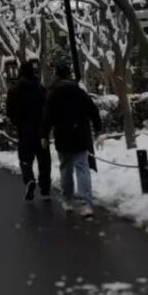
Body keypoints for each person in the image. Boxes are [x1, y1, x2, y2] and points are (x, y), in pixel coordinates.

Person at [40, 61, 102, 217]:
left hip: (63, 136)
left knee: (66, 168)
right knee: (82, 168)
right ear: (69, 75)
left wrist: (44, 135)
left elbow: (47, 117)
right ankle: (86, 202)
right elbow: (93, 110)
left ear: (57, 75)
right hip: (80, 135)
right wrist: (98, 129)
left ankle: (68, 200)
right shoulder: (79, 92)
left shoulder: (53, 93)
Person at [6, 60, 51, 200]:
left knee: (25, 159)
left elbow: (9, 112)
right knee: (44, 160)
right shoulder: (41, 89)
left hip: (24, 130)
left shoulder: (14, 91)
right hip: (41, 130)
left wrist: (16, 121)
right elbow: (48, 108)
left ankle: (29, 179)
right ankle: (45, 188)